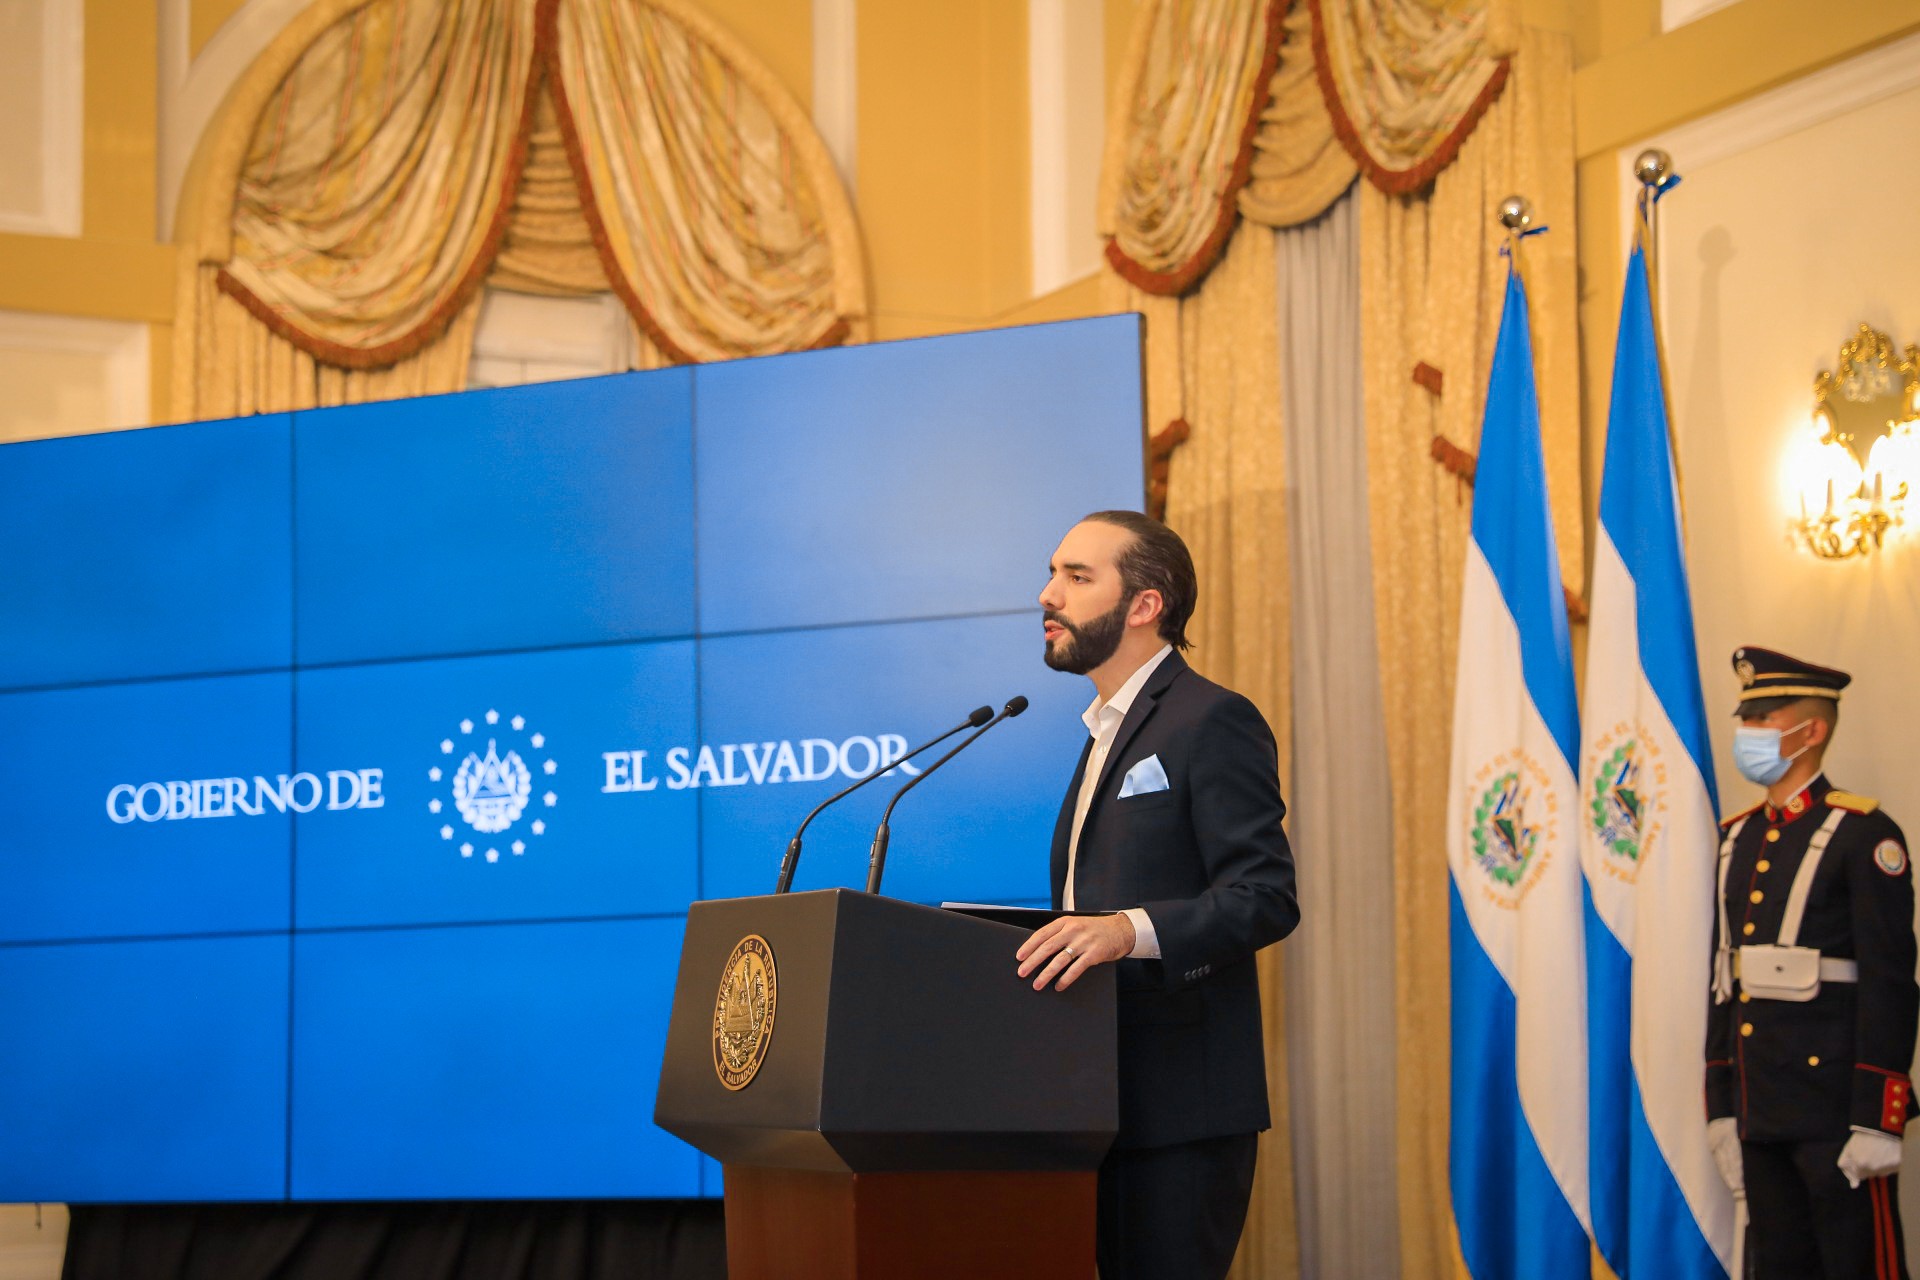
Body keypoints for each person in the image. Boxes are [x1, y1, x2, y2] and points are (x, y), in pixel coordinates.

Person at [1015, 510, 1299, 1279]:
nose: (1048, 595)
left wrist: (1125, 930)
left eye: (1077, 577)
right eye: (1052, 573)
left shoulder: (1211, 719)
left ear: (1145, 604)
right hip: (1090, 1102)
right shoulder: (1105, 734)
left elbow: (1265, 894)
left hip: (1178, 1113)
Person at [1704, 646, 1915, 1279]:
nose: (1747, 732)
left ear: (1811, 730)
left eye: (1762, 718)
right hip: (1761, 1106)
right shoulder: (1737, 838)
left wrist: (1878, 1117)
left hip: (1836, 1114)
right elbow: (1724, 981)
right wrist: (1722, 1104)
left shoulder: (1863, 834)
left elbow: (1889, 984)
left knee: (1857, 1266)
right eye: (1745, 718)